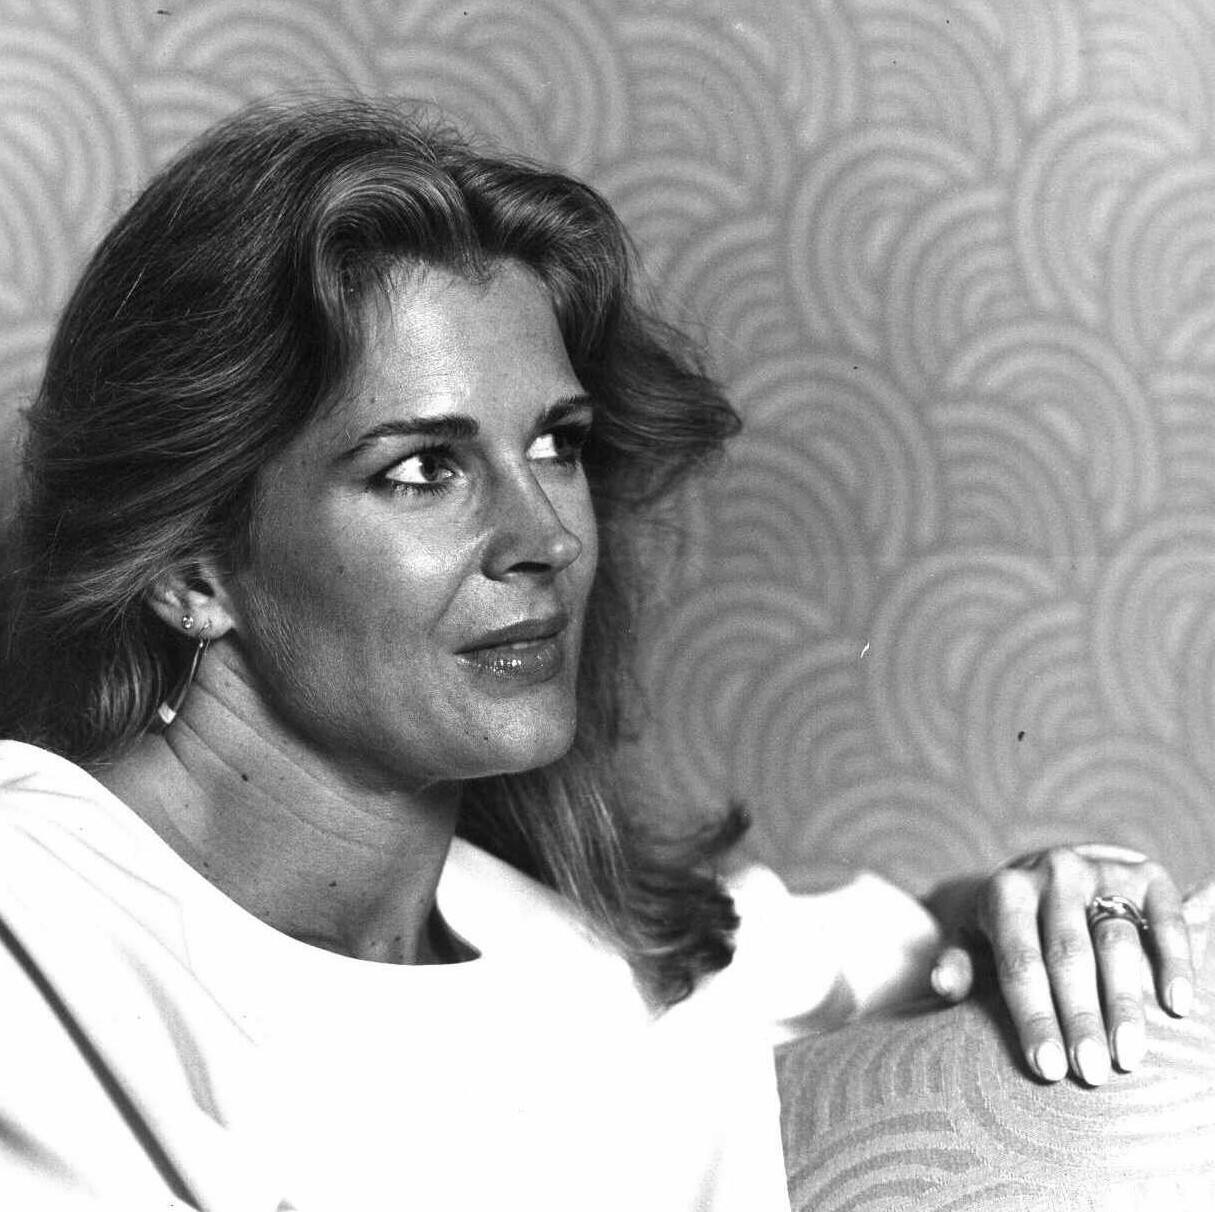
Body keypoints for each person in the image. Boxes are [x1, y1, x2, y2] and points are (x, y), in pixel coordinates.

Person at [0, 95, 1204, 1211]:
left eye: (557, 446)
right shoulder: (38, 919)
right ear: (189, 569)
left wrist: (1050, 903)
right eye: (422, 468)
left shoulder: (582, 956)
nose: (548, 538)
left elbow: (908, 941)